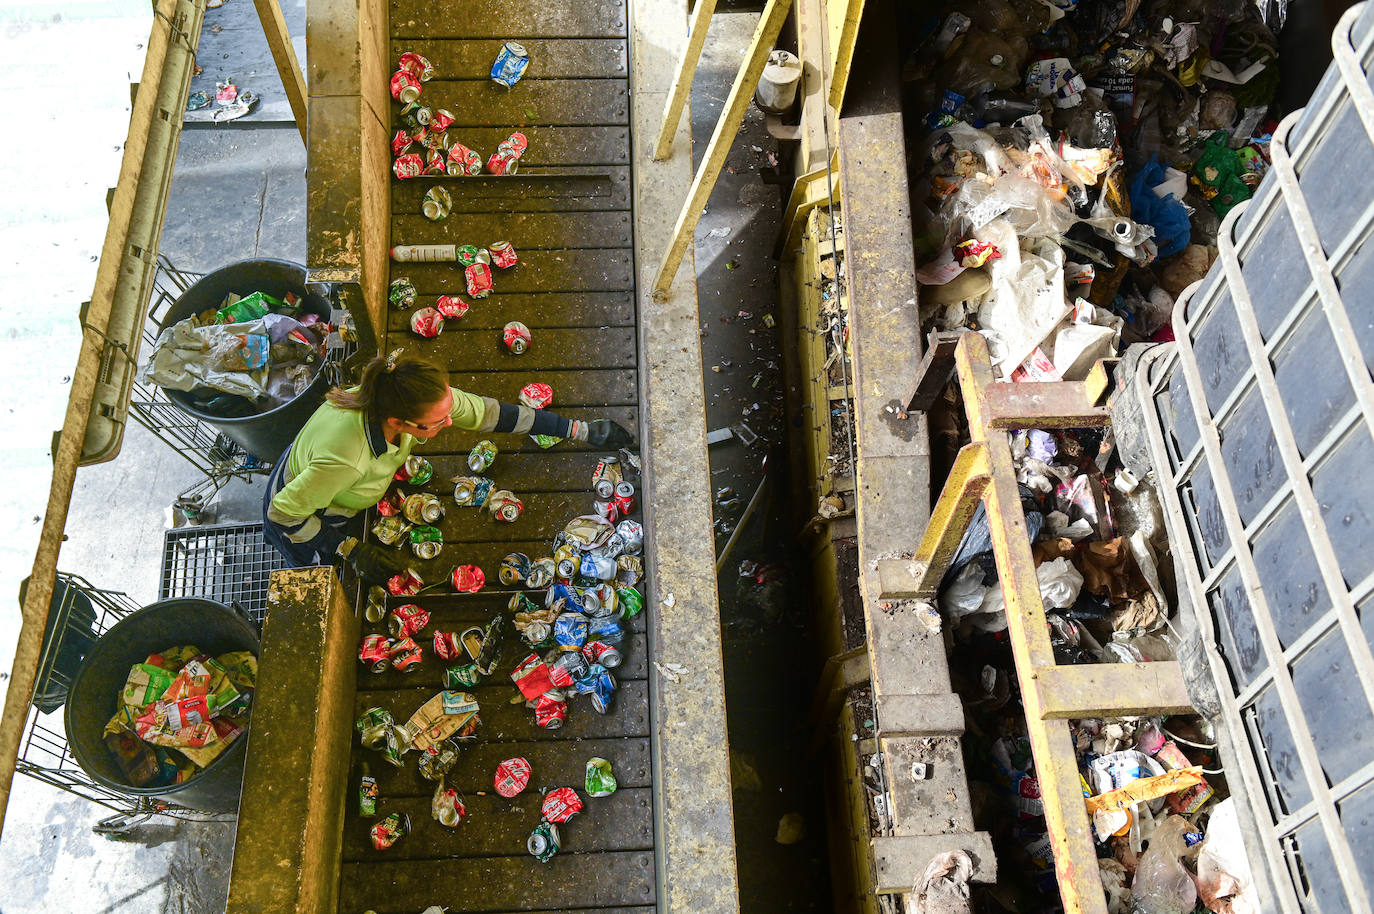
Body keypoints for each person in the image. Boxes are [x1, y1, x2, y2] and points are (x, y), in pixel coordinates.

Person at [263, 349, 633, 582]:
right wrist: (349, 550)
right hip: (307, 508)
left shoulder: (405, 391)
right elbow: (285, 513)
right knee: (320, 569)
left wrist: (580, 430)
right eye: (438, 423)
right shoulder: (344, 459)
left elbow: (492, 415)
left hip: (331, 481)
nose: (450, 422)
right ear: (399, 422)